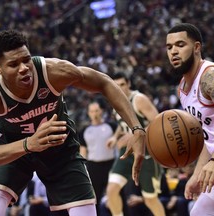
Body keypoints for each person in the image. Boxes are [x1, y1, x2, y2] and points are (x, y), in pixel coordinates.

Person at [0, 29, 146, 216]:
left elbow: (104, 82)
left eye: (26, 60)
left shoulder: (54, 71)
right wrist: (28, 144)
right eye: (14, 64)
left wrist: (137, 129)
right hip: (15, 151)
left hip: (60, 150)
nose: (23, 68)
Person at [166, 23, 214, 216]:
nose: (173, 52)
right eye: (169, 47)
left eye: (180, 45)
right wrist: (197, 173)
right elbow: (206, 137)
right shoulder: (183, 87)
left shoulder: (209, 77)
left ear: (196, 48)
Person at [106, 72, 165, 216]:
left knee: (150, 199)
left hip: (147, 152)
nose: (120, 88)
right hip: (127, 152)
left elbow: (159, 123)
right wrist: (115, 137)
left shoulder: (139, 100)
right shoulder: (115, 101)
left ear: (129, 84)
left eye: (122, 84)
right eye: (116, 86)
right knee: (111, 191)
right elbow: (123, 124)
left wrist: (134, 135)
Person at [79, 100, 117, 215]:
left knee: (115, 196)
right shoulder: (84, 130)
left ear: (102, 111)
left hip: (111, 165)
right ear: (88, 113)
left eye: (96, 110)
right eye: (91, 111)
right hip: (93, 167)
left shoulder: (111, 126)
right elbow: (83, 153)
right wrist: (83, 172)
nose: (94, 113)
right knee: (94, 199)